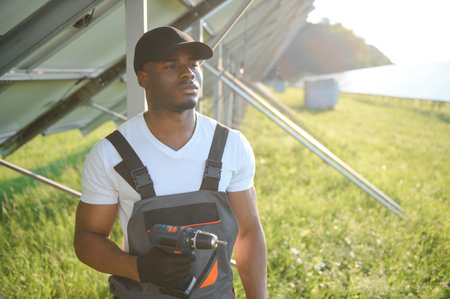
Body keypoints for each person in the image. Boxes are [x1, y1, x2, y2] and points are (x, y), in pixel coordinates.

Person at [74, 26, 267, 298]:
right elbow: (87, 238)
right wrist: (139, 268)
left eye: (194, 64)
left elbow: (249, 233)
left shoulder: (230, 145)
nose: (188, 72)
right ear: (143, 78)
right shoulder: (111, 153)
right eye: (171, 65)